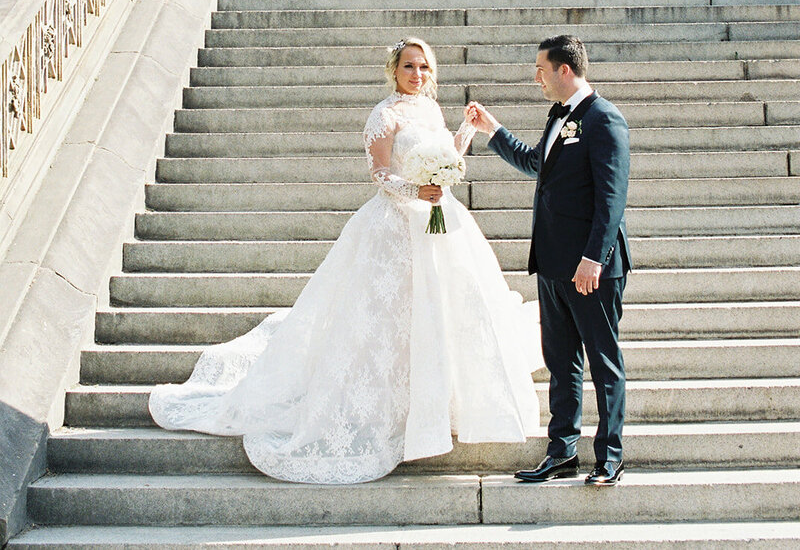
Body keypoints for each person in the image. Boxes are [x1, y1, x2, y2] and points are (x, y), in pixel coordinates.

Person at [149, 37, 541, 484]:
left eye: (425, 68)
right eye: (410, 66)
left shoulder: (430, 111)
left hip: (438, 223)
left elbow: (445, 158)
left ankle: (440, 408)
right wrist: (416, 191)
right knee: (390, 320)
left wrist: (466, 133)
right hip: (394, 226)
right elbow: (380, 173)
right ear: (395, 69)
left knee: (442, 314)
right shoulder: (384, 115)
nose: (418, 75)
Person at [467, 34, 631, 486]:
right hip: (554, 265)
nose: (536, 77)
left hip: (591, 269)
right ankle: (561, 452)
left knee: (603, 362)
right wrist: (493, 131)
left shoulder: (604, 120)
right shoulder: (557, 117)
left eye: (541, 69)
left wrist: (593, 259)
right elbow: (540, 163)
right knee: (561, 363)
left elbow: (612, 199)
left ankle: (610, 457)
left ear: (564, 70)